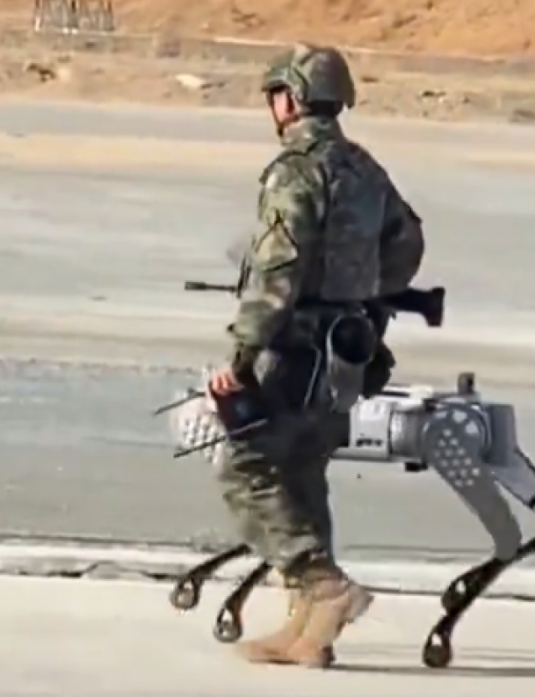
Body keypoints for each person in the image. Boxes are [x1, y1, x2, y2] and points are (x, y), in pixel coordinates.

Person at [207, 42, 425, 668]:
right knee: (304, 473)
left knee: (245, 465)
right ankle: (310, 631)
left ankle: (322, 586)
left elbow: (277, 270)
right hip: (348, 351)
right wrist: (358, 293)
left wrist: (243, 356)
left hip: (293, 349)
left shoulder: (296, 171)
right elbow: (407, 245)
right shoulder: (365, 170)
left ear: (291, 99)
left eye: (275, 95)